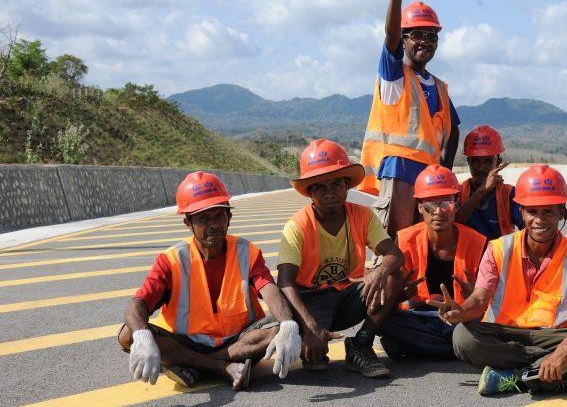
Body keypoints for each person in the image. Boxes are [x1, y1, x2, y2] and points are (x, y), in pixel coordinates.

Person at [429, 165, 567, 396]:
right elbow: (480, 299)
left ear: (562, 212)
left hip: (555, 335)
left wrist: (562, 350)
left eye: (548, 212)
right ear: (521, 212)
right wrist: (460, 311)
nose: (539, 220)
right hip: (507, 333)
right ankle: (558, 375)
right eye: (532, 212)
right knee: (462, 337)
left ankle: (515, 377)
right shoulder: (499, 248)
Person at [119, 171, 301, 391]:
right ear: (188, 223)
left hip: (238, 341)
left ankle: (195, 365)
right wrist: (142, 336)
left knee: (283, 322)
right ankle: (221, 367)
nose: (213, 224)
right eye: (203, 218)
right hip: (185, 342)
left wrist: (289, 325)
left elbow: (269, 288)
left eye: (219, 216)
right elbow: (138, 303)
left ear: (229, 217)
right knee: (129, 334)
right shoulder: (172, 260)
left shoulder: (247, 252)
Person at [277, 139, 406, 378]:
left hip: (347, 294)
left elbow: (395, 254)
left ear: (347, 185)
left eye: (336, 184)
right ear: (310, 193)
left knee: (393, 275)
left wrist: (378, 272)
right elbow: (284, 282)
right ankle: (315, 337)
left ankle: (361, 345)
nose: (329, 194)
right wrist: (310, 326)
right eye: (320, 188)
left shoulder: (362, 215)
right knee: (315, 363)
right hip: (311, 301)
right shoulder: (297, 225)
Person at [359, 0, 461, 239]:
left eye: (431, 36)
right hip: (399, 170)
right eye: (416, 34)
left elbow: (454, 130)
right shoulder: (394, 75)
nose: (424, 42)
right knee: (396, 245)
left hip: (430, 179)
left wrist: (447, 169)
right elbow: (389, 37)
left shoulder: (438, 86)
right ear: (403, 39)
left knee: (421, 244)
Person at [379, 164, 487, 360]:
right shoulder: (405, 239)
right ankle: (452, 349)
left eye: (446, 203)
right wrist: (401, 295)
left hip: (461, 315)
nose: (438, 211)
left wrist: (472, 301)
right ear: (420, 207)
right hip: (419, 315)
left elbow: (487, 302)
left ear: (456, 204)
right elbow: (390, 299)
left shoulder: (478, 242)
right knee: (382, 320)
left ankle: (416, 346)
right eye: (430, 204)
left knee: (479, 326)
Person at [455, 125, 523, 239]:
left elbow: (528, 228)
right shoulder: (458, 191)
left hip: (499, 255)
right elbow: (452, 226)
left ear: (498, 162)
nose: (481, 167)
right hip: (466, 255)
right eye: (475, 161)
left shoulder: (509, 194)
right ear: (468, 162)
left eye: (488, 161)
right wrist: (481, 191)